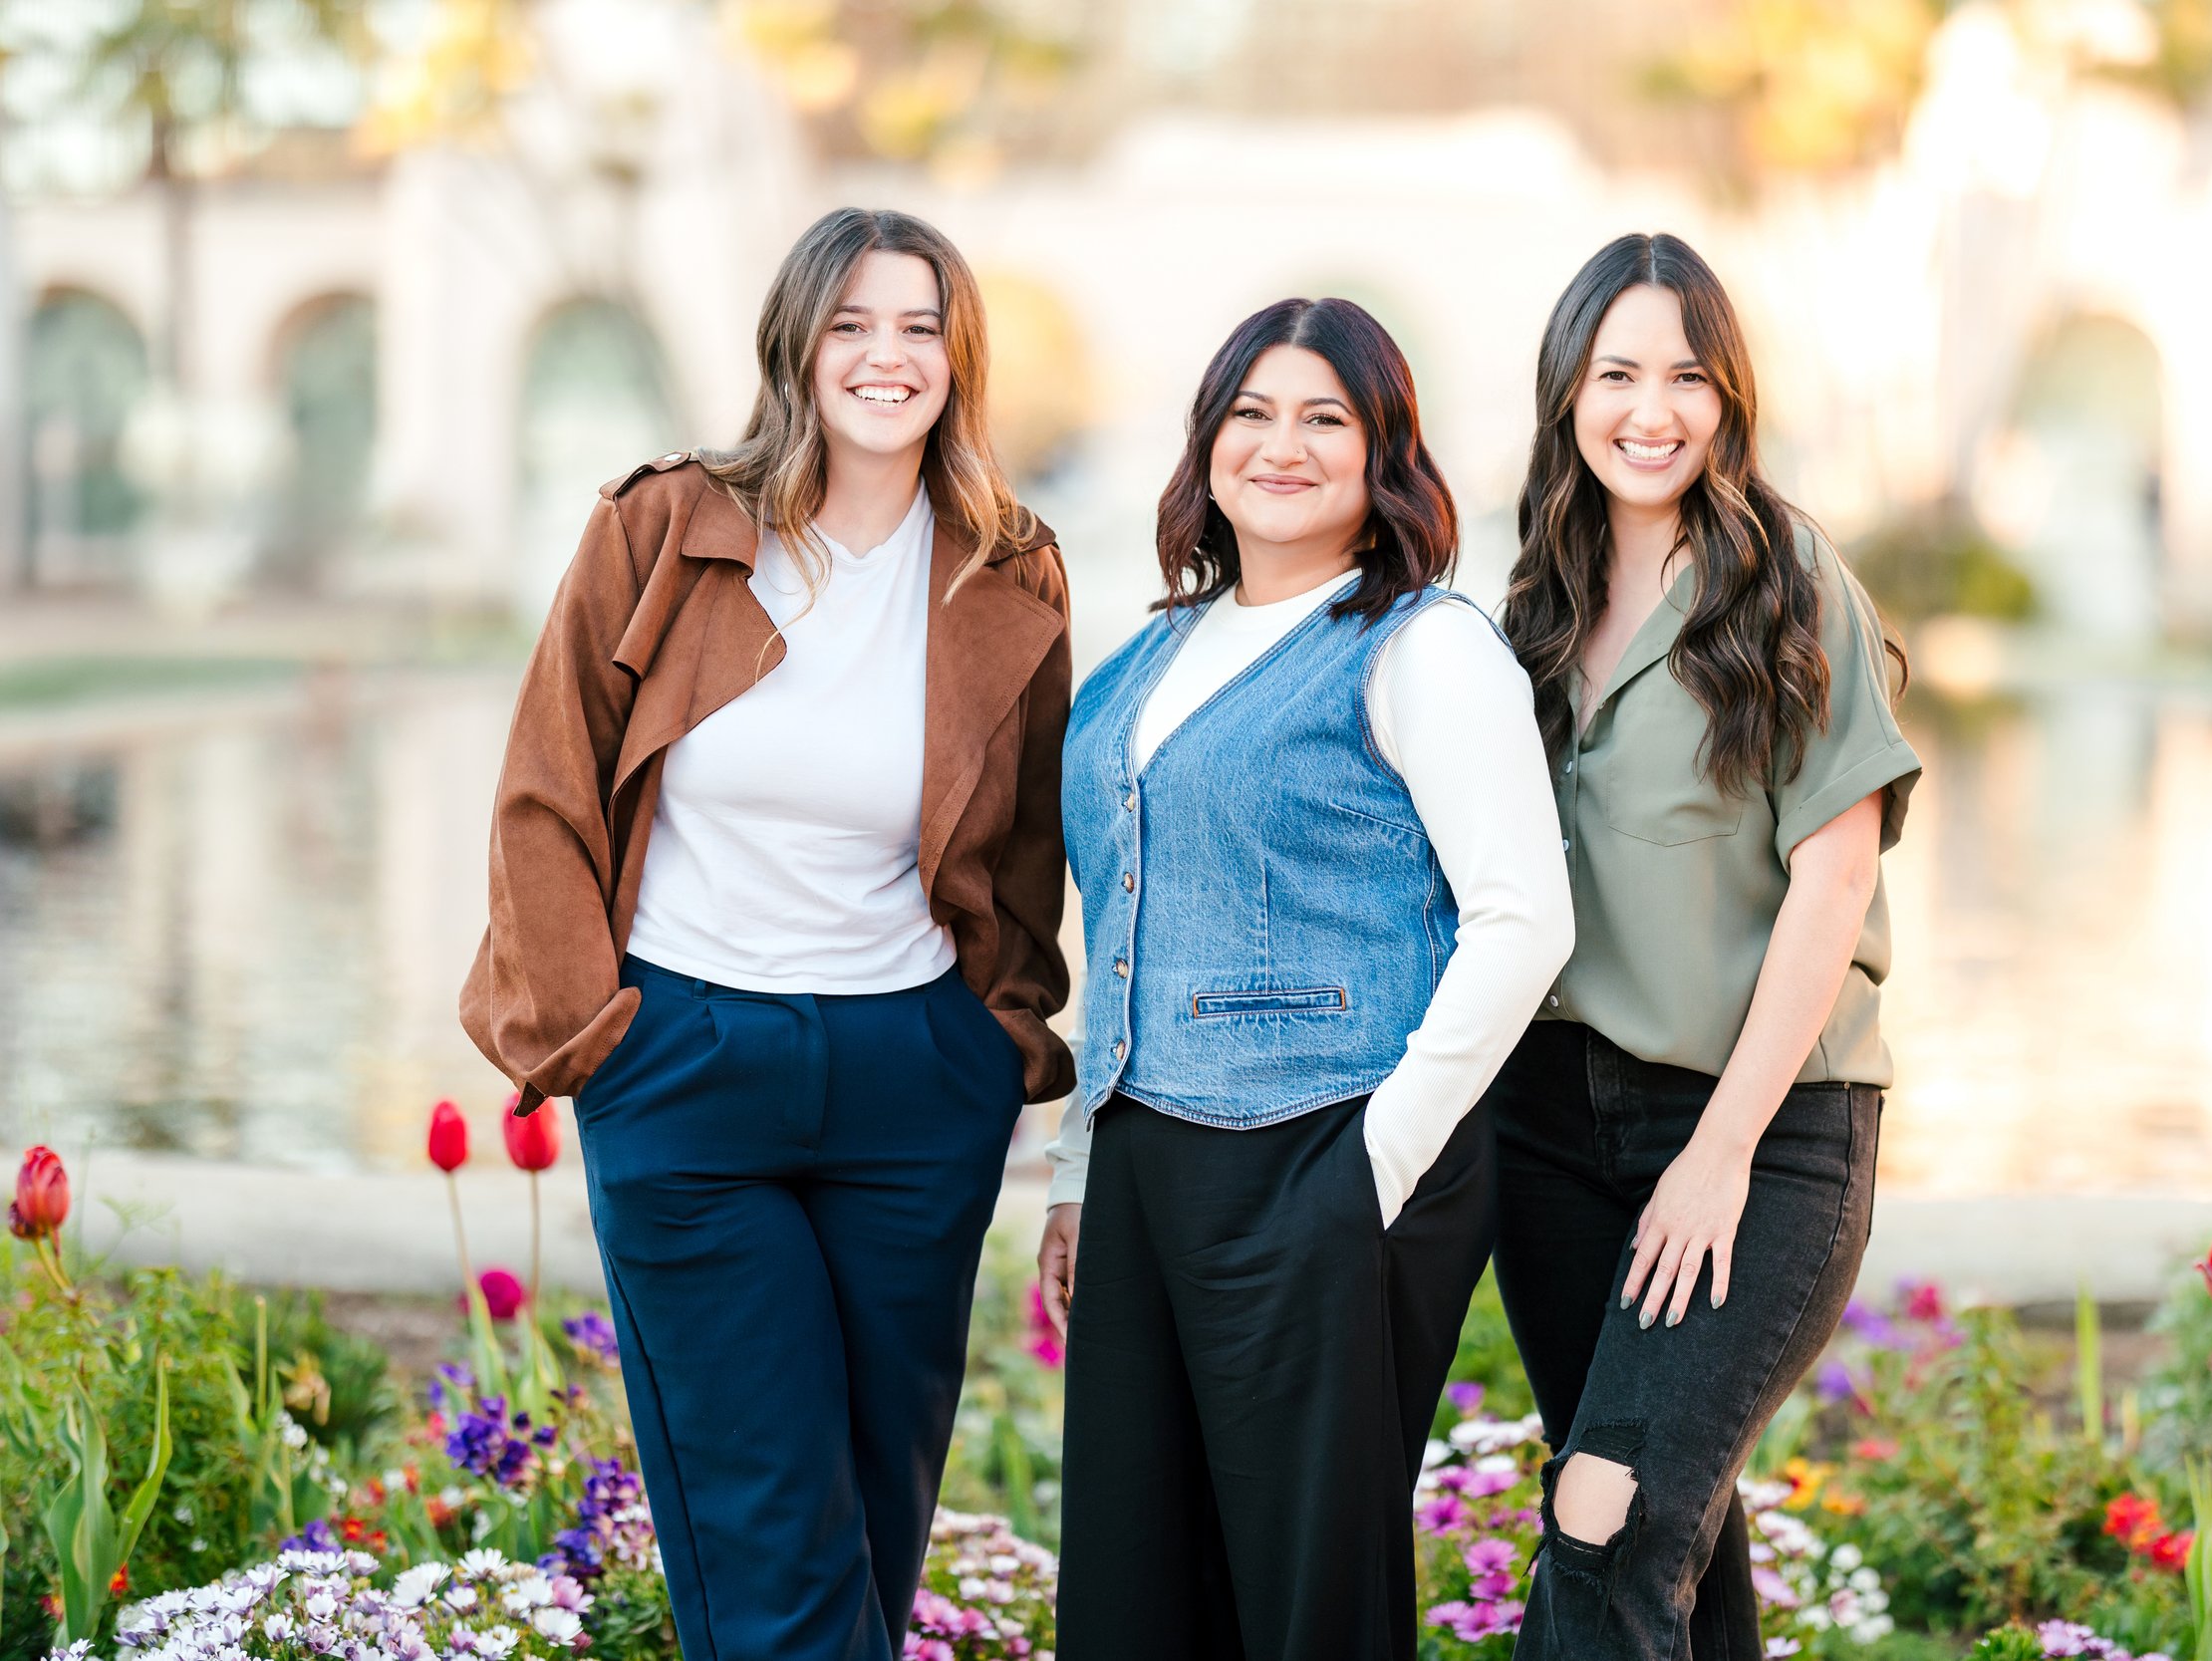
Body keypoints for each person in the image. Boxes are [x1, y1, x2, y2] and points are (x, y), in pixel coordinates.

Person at [459, 206, 1073, 1661]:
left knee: (872, 1515)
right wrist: (593, 1038)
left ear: (958, 357)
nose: (887, 355)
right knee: (769, 1540)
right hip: (687, 1063)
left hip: (913, 1077)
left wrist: (994, 1049)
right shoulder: (665, 527)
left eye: (921, 325)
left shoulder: (1010, 568)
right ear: (794, 344)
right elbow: (546, 794)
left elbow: (1036, 841)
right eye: (852, 323)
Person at [1034, 296, 1573, 1660]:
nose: (1282, 446)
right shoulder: (1154, 651)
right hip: (1148, 1158)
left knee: (1300, 1603)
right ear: (1208, 439)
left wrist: (1369, 1173)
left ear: (1384, 454)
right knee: (1134, 1582)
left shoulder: (1425, 645)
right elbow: (1117, 924)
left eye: (1325, 418)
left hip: (1329, 1154)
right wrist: (1078, 1171)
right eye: (1251, 412)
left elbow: (1524, 921)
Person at [1488, 233, 1920, 1660]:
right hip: (1554, 1129)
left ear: (1728, 398)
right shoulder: (1535, 607)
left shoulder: (1790, 579)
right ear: (1568, 396)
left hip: (1766, 1127)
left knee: (1605, 1517)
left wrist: (1718, 1153)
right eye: (1616, 373)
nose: (1650, 409)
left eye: (1686, 376)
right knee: (1676, 1539)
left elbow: (1836, 871)